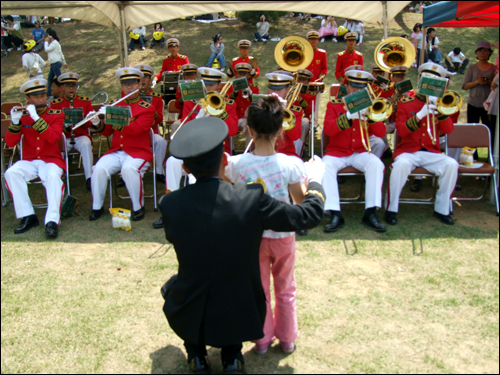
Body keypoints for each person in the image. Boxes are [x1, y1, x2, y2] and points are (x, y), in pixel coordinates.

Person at [159, 116, 325, 374]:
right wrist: (314, 181)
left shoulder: (169, 205)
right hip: (241, 305)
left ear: (185, 170)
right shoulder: (249, 199)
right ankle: (232, 357)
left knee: (175, 285)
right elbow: (307, 216)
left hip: (193, 298)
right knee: (232, 288)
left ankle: (197, 354)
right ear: (225, 160)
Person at [225, 96, 309, 356]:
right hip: (283, 236)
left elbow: (225, 184)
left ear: (249, 130)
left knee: (258, 290)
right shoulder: (291, 164)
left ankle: (261, 340)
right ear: (281, 129)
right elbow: (300, 200)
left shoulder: (236, 165)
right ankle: (287, 339)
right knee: (286, 288)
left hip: (253, 238)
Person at [385, 62, 459, 226]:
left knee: (451, 164)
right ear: (420, 81)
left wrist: (440, 111)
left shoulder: (442, 104)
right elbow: (402, 131)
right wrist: (420, 115)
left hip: (431, 152)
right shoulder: (407, 101)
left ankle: (442, 209)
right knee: (400, 165)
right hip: (408, 151)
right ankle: (392, 209)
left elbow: (448, 130)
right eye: (427, 80)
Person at [322, 69, 387, 233]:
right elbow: (329, 131)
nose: (357, 90)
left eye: (361, 87)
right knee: (324, 167)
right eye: (353, 86)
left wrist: (370, 116)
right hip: (337, 152)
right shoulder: (334, 105)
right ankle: (335, 213)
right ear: (346, 85)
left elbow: (381, 133)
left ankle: (371, 213)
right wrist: (347, 117)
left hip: (360, 151)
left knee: (376, 164)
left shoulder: (370, 106)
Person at [89, 67, 155, 221]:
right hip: (116, 151)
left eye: (133, 83)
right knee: (98, 168)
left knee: (129, 169)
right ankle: (97, 207)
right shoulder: (115, 106)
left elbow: (136, 130)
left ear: (140, 85)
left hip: (138, 152)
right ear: (121, 87)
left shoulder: (147, 108)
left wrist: (114, 117)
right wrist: (96, 122)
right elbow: (106, 132)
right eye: (125, 84)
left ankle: (138, 207)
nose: (129, 87)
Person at [4, 78, 65, 238]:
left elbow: (53, 137)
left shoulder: (57, 114)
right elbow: (10, 142)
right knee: (11, 173)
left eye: (43, 95)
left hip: (51, 159)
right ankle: (28, 216)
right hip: (30, 160)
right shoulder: (23, 116)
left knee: (53, 177)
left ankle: (52, 221)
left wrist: (36, 118)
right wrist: (15, 121)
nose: (41, 99)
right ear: (28, 99)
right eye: (36, 97)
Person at [49, 72, 96, 190]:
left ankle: (89, 178)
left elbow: (90, 123)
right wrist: (63, 124)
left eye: (74, 86)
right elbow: (51, 122)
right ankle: (58, 177)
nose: (71, 89)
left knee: (86, 144)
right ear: (62, 87)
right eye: (68, 86)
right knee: (57, 148)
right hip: (64, 136)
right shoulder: (55, 104)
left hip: (80, 134)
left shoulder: (85, 101)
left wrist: (82, 119)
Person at [134, 64, 168, 184]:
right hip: (133, 131)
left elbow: (159, 118)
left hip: (149, 131)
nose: (143, 80)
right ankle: (125, 175)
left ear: (150, 80)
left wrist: (150, 110)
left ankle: (159, 171)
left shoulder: (156, 98)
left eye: (146, 77)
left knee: (162, 142)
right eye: (140, 77)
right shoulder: (128, 96)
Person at [462, 41, 496, 151]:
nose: (482, 53)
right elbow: (465, 86)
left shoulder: (494, 68)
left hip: (489, 106)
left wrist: (489, 82)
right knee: (472, 131)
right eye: (480, 51)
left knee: (489, 131)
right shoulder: (472, 68)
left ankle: (488, 155)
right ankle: (471, 155)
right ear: (476, 53)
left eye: (485, 51)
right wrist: (477, 82)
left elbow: (496, 85)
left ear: (489, 53)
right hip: (473, 103)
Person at [266, 72, 303, 160]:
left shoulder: (294, 111)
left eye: (279, 90)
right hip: (265, 153)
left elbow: (295, 136)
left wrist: (284, 112)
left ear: (287, 89)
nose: (274, 93)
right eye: (272, 89)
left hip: (287, 154)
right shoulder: (261, 107)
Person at [44, 29, 68, 96]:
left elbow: (46, 49)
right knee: (50, 78)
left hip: (55, 63)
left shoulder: (54, 43)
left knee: (60, 78)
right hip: (54, 63)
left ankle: (64, 92)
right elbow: (61, 54)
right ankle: (49, 93)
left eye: (48, 35)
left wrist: (46, 42)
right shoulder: (56, 43)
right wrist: (64, 62)